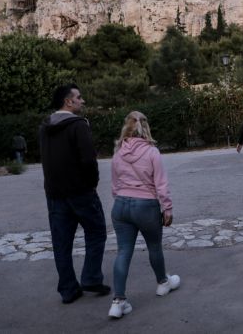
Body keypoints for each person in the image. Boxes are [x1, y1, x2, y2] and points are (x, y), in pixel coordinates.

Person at [39, 84, 109, 304]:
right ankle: (90, 277)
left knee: (61, 243)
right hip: (81, 192)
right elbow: (89, 160)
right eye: (79, 97)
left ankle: (68, 290)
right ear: (68, 102)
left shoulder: (44, 127)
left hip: (55, 195)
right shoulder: (78, 126)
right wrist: (92, 184)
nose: (83, 100)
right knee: (96, 232)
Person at [108, 111, 180, 319]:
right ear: (145, 128)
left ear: (126, 128)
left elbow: (114, 185)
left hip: (120, 206)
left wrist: (123, 198)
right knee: (154, 246)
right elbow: (161, 185)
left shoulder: (118, 152)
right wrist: (167, 208)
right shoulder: (152, 152)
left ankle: (118, 302)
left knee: (123, 252)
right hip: (146, 206)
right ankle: (163, 284)